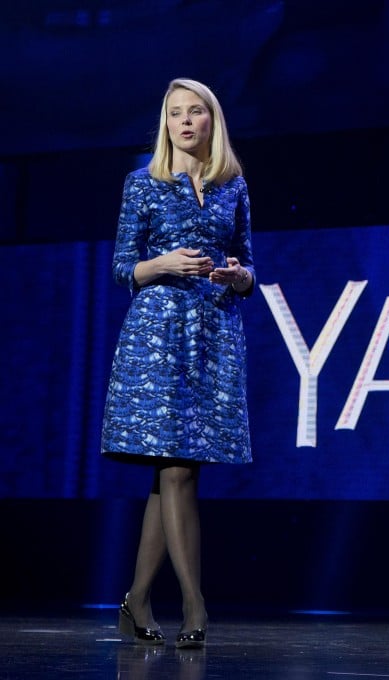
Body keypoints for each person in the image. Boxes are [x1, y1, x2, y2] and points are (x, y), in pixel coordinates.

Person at [100, 78, 255, 649]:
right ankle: (195, 603)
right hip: (157, 338)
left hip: (213, 336)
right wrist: (160, 262)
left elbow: (250, 270)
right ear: (164, 124)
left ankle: (136, 600)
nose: (185, 122)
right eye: (174, 114)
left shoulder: (232, 185)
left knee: (172, 477)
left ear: (212, 121)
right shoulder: (142, 184)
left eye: (195, 112)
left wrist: (239, 277)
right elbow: (122, 269)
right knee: (175, 470)